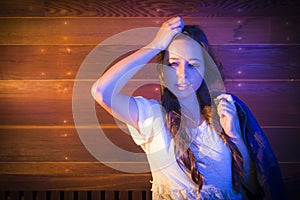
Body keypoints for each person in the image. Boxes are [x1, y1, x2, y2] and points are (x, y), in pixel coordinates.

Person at [91, 17, 286, 199]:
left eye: (192, 65)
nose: (182, 74)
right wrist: (155, 46)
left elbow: (254, 186)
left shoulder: (225, 112)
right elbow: (100, 91)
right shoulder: (150, 115)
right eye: (173, 64)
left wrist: (234, 135)